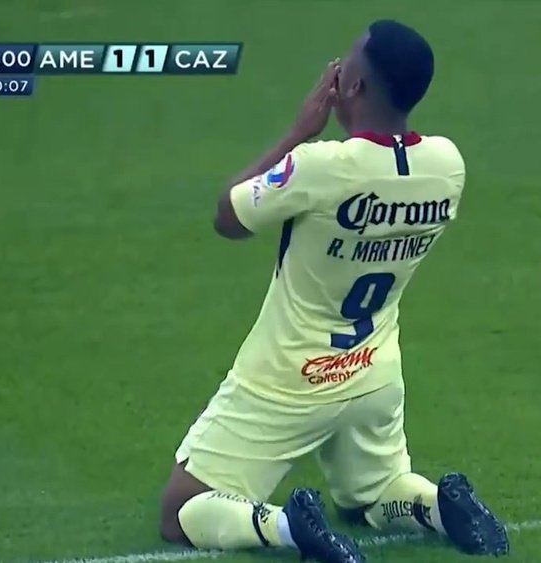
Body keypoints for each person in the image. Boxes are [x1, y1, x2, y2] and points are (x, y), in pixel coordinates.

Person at [159, 19, 510, 562]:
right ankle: (438, 505)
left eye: (347, 64)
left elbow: (228, 215)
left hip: (288, 377)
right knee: (373, 492)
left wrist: (300, 130)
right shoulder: (447, 164)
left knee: (182, 509)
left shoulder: (320, 166)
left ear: (354, 87)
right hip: (373, 372)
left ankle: (288, 529)